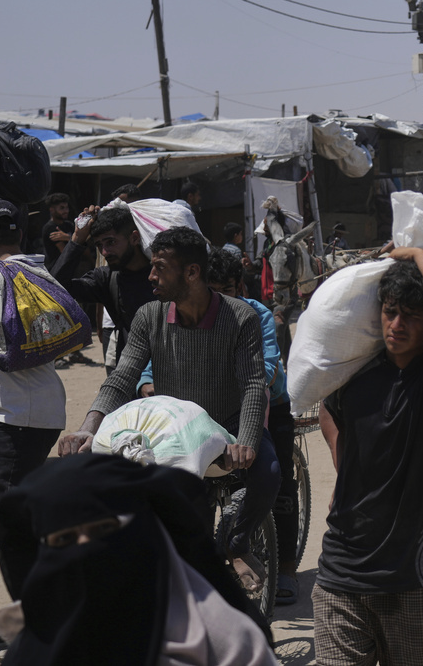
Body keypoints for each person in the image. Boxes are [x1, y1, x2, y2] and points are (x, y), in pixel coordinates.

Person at [57, 226, 278, 592]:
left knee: (268, 472)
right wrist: (87, 427)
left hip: (227, 424)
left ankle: (238, 542)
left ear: (191, 272)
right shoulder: (149, 315)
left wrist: (247, 443)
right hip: (174, 430)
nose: (151, 275)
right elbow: (122, 378)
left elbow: (253, 385)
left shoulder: (241, 317)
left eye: (160, 267)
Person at [314, 248, 423, 666]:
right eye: (390, 312)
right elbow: (328, 410)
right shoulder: (357, 369)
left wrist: (417, 252)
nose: (397, 325)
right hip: (341, 571)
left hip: (412, 576)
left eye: (412, 316)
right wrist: (344, 469)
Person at [0, 453, 276, 666]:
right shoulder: (32, 647)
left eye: (103, 529)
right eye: (64, 540)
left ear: (145, 532)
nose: (86, 548)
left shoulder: (227, 642)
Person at [0, 200, 67, 542]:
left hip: (18, 415)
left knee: (3, 520)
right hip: (31, 410)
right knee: (19, 511)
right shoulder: (36, 270)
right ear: (21, 234)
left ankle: (59, 567)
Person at [51, 203, 155, 370]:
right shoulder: (107, 278)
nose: (104, 252)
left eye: (111, 242)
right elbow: (54, 288)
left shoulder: (163, 277)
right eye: (99, 245)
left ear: (134, 238)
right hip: (130, 374)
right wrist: (77, 239)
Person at [40, 192, 73, 269]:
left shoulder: (69, 225)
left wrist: (68, 238)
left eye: (66, 207)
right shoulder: (50, 228)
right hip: (57, 269)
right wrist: (72, 238)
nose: (66, 211)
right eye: (62, 208)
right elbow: (65, 252)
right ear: (52, 210)